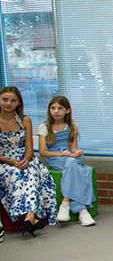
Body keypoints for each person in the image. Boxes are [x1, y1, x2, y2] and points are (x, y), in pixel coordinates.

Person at [0, 86, 58, 238]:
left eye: (13, 101)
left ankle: (30, 216)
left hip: (24, 157)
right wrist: (11, 162)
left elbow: (29, 148)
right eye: (5, 99)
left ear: (18, 103)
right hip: (4, 160)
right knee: (15, 174)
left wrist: (25, 160)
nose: (8, 103)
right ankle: (31, 218)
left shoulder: (25, 120)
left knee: (31, 171)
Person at [38, 96, 96, 226]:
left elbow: (73, 147)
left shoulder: (72, 125)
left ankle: (65, 203)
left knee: (71, 162)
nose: (56, 111)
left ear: (67, 110)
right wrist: (61, 153)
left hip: (70, 156)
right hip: (55, 157)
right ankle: (82, 211)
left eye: (60, 108)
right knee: (77, 169)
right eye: (53, 108)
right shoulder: (44, 127)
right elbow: (42, 152)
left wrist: (77, 152)